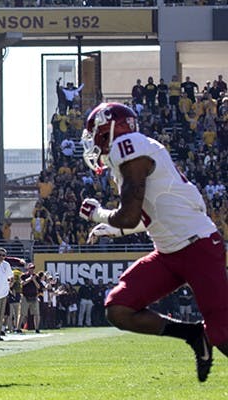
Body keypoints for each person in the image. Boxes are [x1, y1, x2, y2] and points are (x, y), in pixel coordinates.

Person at [79, 102, 228, 382]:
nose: (93, 141)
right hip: (169, 252)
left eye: (94, 132)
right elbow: (153, 210)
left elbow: (129, 213)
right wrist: (115, 231)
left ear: (109, 129)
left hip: (198, 248)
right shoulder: (131, 151)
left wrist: (97, 213)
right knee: (118, 308)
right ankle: (193, 334)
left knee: (223, 335)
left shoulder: (130, 146)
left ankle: (208, 335)